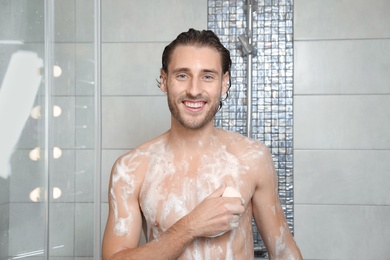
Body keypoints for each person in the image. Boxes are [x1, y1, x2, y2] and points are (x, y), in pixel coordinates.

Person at [102, 28, 302, 260]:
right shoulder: (131, 169)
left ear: (224, 82)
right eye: (182, 75)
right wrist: (191, 226)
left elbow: (284, 251)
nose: (194, 90)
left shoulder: (252, 158)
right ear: (164, 80)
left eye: (207, 76)